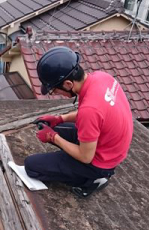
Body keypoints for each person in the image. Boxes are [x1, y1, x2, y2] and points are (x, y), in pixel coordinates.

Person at [24, 46, 133, 198]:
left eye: (55, 90)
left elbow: (85, 157)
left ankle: (94, 179)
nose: (56, 94)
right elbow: (93, 114)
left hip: (99, 162)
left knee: (31, 166)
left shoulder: (90, 109)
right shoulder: (101, 77)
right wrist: (59, 119)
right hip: (111, 146)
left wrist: (53, 137)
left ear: (68, 84)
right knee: (56, 127)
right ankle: (70, 157)